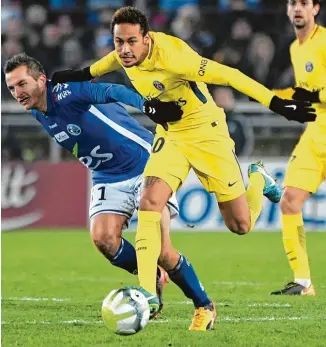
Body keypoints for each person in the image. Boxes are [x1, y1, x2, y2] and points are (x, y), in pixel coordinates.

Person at [51, 6, 317, 330]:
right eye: (118, 41)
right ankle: (147, 292)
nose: (123, 49)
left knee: (241, 225)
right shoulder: (123, 55)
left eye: (131, 41)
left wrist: (278, 104)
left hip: (207, 135)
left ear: (146, 39)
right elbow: (96, 68)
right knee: (149, 201)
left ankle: (258, 178)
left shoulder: (175, 56)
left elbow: (230, 76)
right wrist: (66, 77)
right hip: (171, 136)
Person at [4, 53, 216, 329]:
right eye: (11, 88)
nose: (17, 93)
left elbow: (112, 90)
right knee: (103, 239)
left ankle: (203, 305)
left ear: (42, 80)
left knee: (162, 250)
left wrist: (148, 106)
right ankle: (151, 277)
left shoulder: (67, 93)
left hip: (147, 162)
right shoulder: (37, 110)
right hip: (107, 175)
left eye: (22, 84)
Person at [269, 0, 326, 296]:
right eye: (293, 3)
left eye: (304, 3)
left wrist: (318, 97)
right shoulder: (296, 47)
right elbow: (303, 90)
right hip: (314, 136)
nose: (298, 8)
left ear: (316, 9)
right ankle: (303, 282)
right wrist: (273, 96)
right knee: (289, 201)